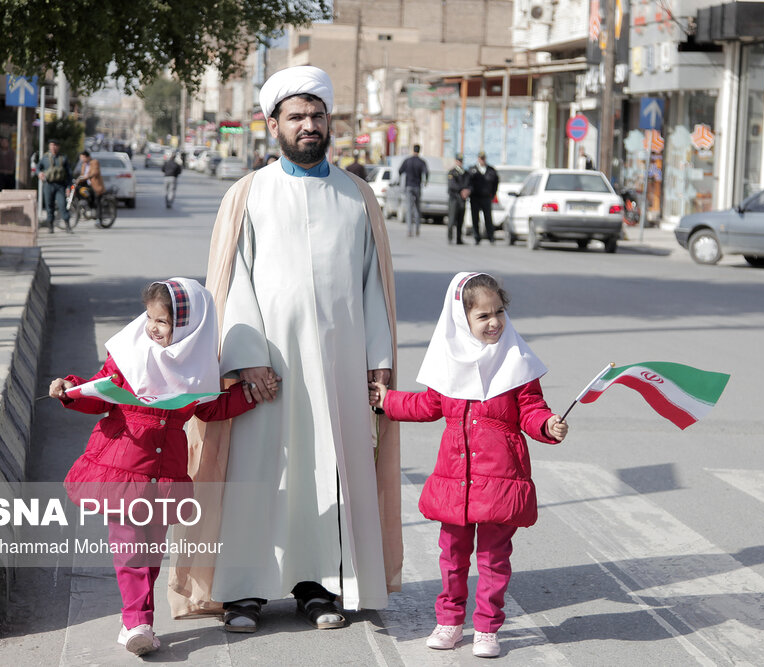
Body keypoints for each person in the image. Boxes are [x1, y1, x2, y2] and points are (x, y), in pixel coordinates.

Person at [168, 65, 402, 633]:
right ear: (272, 124)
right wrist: (245, 357)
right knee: (257, 471)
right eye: (296, 116)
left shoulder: (357, 195)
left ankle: (318, 586)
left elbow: (375, 286)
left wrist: (378, 364)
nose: (309, 125)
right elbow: (231, 280)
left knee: (329, 471)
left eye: (318, 116)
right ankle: (242, 590)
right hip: (264, 368)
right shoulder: (249, 194)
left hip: (340, 367)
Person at [49, 279, 265, 656]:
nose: (152, 327)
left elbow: (210, 408)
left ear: (187, 326)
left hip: (165, 469)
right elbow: (101, 394)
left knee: (150, 550)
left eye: (162, 322)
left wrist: (248, 395)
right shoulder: (129, 353)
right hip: (123, 463)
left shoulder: (197, 364)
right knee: (130, 547)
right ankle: (136, 622)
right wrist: (71, 388)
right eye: (150, 317)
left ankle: (137, 618)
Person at [369, 272, 568, 658]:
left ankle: (487, 629)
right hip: (456, 479)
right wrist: (386, 400)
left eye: (499, 313)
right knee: (452, 557)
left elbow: (531, 410)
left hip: (500, 479)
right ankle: (448, 621)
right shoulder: (449, 363)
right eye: (483, 316)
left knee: (494, 559)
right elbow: (427, 407)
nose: (494, 322)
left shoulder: (517, 361)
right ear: (463, 320)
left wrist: (547, 425)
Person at [38, 139, 71, 232]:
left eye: (55, 145)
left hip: (60, 185)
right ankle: (50, 226)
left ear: (58, 147)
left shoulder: (63, 158)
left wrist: (68, 187)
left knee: (62, 205)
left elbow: (69, 174)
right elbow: (38, 168)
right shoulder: (45, 158)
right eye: (51, 145)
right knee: (49, 205)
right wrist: (39, 173)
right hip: (48, 185)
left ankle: (67, 225)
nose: (53, 147)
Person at [468, 151, 499, 244]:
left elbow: (496, 183)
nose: (482, 160)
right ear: (478, 158)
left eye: (483, 158)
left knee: (488, 218)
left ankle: (491, 237)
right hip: (475, 197)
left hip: (486, 197)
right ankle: (477, 237)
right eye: (480, 158)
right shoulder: (472, 169)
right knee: (475, 218)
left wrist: (492, 194)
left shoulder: (491, 170)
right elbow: (468, 183)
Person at [399, 144, 428, 237]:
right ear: (419, 150)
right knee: (417, 208)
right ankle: (417, 229)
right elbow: (426, 172)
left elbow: (400, 170)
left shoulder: (407, 161)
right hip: (417, 186)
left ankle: (409, 230)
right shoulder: (421, 162)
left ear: (413, 150)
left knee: (409, 208)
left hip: (408, 186)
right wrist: (426, 181)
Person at [447, 153, 470, 245]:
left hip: (462, 199)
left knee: (461, 220)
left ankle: (459, 238)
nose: (460, 162)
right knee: (452, 219)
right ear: (455, 161)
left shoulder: (466, 173)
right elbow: (452, 185)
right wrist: (462, 190)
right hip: (454, 199)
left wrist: (468, 191)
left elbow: (469, 184)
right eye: (458, 161)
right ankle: (450, 237)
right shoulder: (452, 172)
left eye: (461, 161)